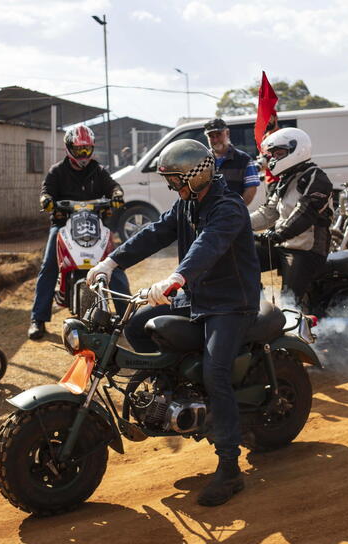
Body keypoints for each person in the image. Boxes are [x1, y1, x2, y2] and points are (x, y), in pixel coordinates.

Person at [86, 139, 261, 507]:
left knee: (216, 372)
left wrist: (175, 277)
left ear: (198, 175)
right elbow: (153, 233)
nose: (173, 188)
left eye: (176, 180)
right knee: (137, 325)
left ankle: (230, 469)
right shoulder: (186, 204)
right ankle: (176, 384)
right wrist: (112, 262)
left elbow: (208, 246)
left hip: (230, 304)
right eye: (170, 182)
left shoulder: (228, 207)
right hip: (196, 297)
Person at [28, 124, 129, 340]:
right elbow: (46, 191)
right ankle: (38, 319)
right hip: (63, 225)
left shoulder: (98, 171)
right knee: (48, 266)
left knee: (115, 265)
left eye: (87, 150)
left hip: (95, 225)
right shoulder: (57, 171)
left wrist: (117, 194)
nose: (83, 155)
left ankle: (126, 319)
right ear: (68, 148)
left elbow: (113, 187)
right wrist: (46, 200)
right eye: (78, 150)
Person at [250, 127, 333, 305]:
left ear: (297, 150)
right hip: (282, 244)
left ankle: (295, 328)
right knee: (241, 256)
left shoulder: (316, 178)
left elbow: (304, 214)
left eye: (279, 153)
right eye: (273, 155)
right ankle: (255, 305)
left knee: (289, 302)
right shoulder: (286, 178)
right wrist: (238, 223)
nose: (274, 159)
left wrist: (276, 235)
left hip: (306, 250)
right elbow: (268, 213)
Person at [204, 118, 260, 205]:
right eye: (211, 136)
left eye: (219, 134)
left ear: (227, 133)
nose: (215, 140)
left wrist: (237, 209)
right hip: (207, 215)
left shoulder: (244, 159)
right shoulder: (202, 160)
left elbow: (251, 189)